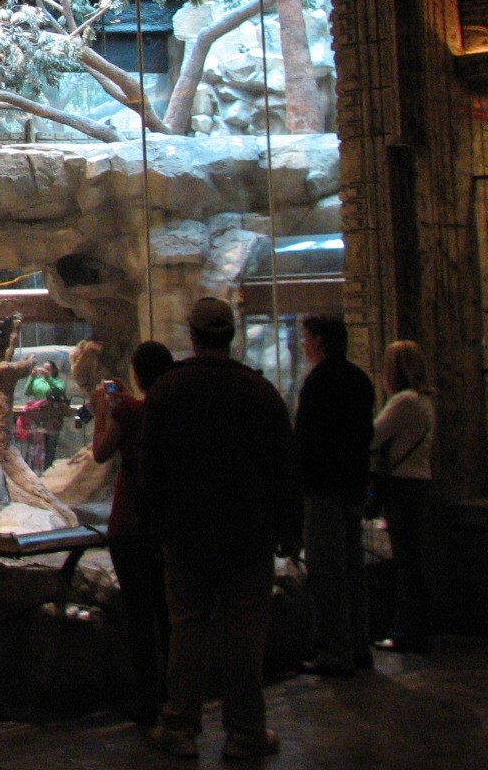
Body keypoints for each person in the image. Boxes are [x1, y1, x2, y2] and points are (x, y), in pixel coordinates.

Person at [141, 298, 300, 761]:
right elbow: (285, 467)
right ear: (231, 336)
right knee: (245, 632)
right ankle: (246, 731)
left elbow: (151, 468)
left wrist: (157, 527)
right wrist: (290, 528)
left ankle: (180, 726)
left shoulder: (168, 390)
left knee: (188, 627)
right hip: (249, 534)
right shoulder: (259, 392)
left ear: (192, 336)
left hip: (187, 533)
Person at [92, 340, 174, 728]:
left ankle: (146, 697)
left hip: (131, 518)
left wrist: (101, 413)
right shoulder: (170, 411)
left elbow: (100, 453)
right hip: (165, 520)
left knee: (139, 613)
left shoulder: (128, 411)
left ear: (138, 375)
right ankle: (175, 691)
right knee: (167, 609)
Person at [295, 313, 375, 676]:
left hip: (324, 488)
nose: (303, 345)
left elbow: (307, 441)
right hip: (353, 486)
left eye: (306, 338)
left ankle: (334, 651)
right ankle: (359, 644)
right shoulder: (359, 379)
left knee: (327, 572)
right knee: (353, 571)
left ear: (319, 341)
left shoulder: (319, 382)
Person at [371, 339, 435, 654]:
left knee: (406, 561)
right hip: (418, 482)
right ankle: (415, 629)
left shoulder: (404, 401)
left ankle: (407, 632)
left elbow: (373, 436)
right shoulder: (424, 401)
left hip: (402, 485)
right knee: (413, 560)